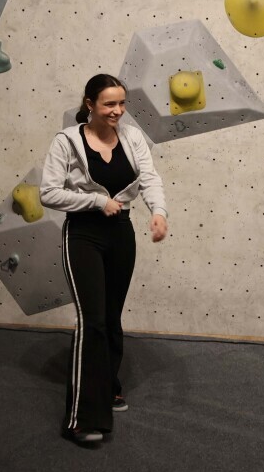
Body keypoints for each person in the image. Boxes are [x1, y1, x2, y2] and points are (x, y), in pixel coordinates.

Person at [40, 74, 168, 445]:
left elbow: (149, 179)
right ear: (90, 104)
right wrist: (96, 201)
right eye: (109, 104)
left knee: (111, 318)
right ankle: (81, 419)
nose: (117, 111)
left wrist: (158, 212)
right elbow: (49, 193)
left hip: (121, 234)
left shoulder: (132, 138)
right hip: (83, 233)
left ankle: (107, 386)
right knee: (92, 321)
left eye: (121, 103)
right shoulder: (67, 141)